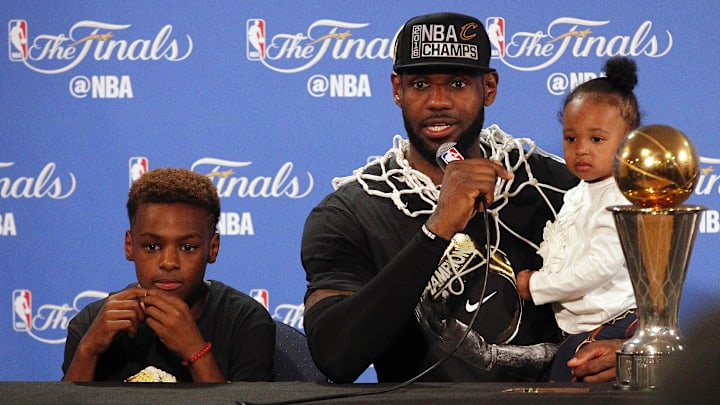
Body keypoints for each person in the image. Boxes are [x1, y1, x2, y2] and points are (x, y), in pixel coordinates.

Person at [301, 12, 623, 384]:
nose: (438, 101)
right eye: (420, 84)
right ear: (396, 89)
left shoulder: (561, 187)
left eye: (457, 83)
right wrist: (438, 226)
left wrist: (629, 348)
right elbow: (336, 356)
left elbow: (635, 295)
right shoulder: (351, 212)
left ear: (488, 87)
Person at [62, 167, 275, 382]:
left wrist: (196, 351)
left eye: (188, 247)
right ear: (130, 246)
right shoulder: (91, 323)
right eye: (152, 246)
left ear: (212, 248)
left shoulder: (245, 323)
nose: (169, 263)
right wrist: (87, 351)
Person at [516, 56, 640, 382]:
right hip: (583, 326)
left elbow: (599, 267)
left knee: (565, 375)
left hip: (615, 322)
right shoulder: (579, 192)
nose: (581, 149)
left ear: (628, 142)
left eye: (596, 139)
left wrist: (538, 285)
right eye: (571, 138)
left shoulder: (619, 197)